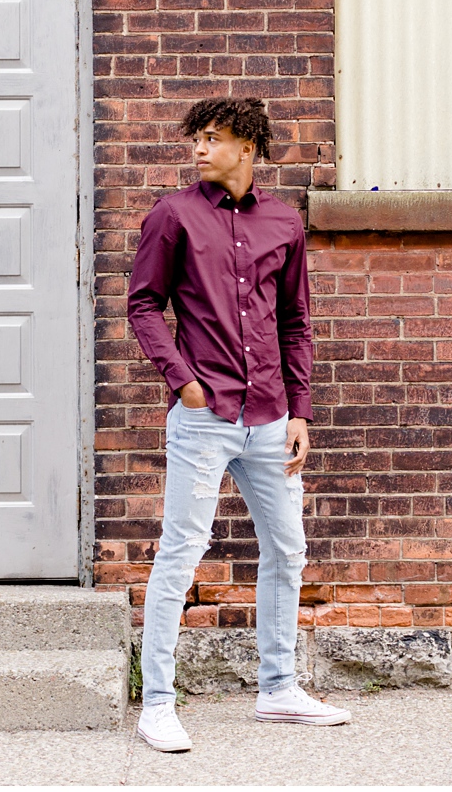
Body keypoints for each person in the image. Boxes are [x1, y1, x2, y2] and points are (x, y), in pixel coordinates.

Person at [125, 97, 351, 753]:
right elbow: (143, 306)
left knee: (287, 549)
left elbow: (295, 322)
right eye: (197, 137)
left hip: (271, 419)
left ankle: (279, 690)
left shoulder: (284, 222)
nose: (200, 147)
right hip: (203, 418)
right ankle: (159, 704)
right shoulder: (173, 217)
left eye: (213, 137)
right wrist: (183, 381)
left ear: (247, 148)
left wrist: (301, 409)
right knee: (181, 555)